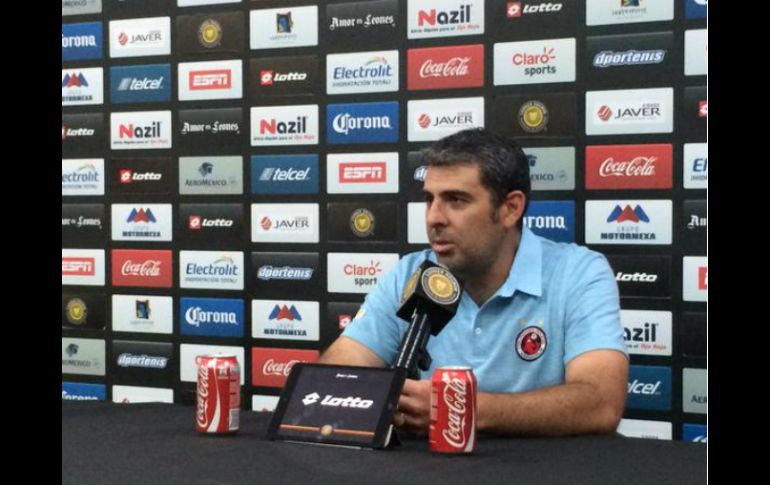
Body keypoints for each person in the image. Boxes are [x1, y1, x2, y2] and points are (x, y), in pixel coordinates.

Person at [319, 128, 628, 437]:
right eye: (429, 199)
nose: (434, 218)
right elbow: (332, 378)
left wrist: (459, 408)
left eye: (456, 200)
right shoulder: (409, 273)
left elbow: (601, 403)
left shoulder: (578, 273)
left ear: (510, 208)